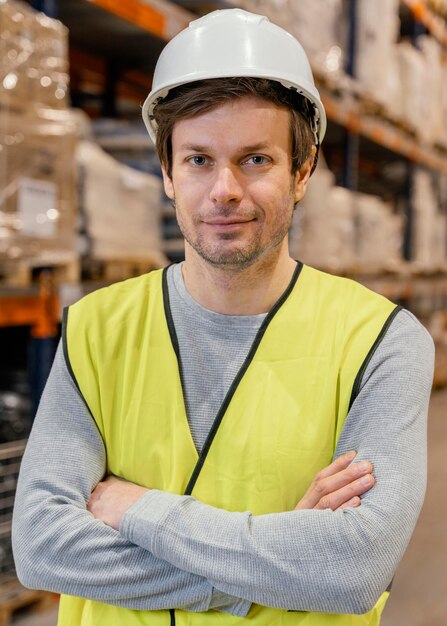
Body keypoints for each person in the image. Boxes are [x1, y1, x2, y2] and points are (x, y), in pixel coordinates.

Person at [12, 8, 434, 626]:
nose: (224, 190)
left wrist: (137, 510)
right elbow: (42, 546)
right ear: (166, 172)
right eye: (199, 160)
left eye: (256, 160)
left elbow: (350, 570)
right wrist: (274, 566)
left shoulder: (381, 342)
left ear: (302, 171)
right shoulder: (97, 330)